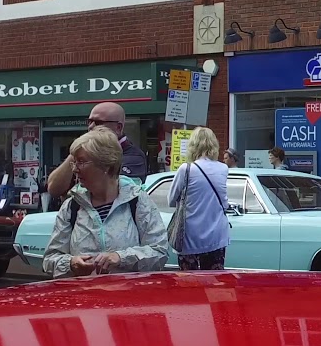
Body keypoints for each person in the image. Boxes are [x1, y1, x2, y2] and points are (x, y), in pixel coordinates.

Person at [42, 128, 169, 278]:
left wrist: (120, 258)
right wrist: (71, 263)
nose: (75, 169)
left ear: (106, 165)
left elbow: (159, 251)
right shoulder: (72, 206)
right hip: (84, 292)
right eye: (74, 163)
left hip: (127, 292)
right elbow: (49, 260)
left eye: (81, 162)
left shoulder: (137, 201)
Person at [46, 102, 148, 197]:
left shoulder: (133, 156)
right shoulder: (83, 152)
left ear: (118, 127)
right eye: (89, 121)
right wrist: (77, 152)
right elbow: (54, 189)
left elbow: (119, 192)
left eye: (99, 123)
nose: (91, 127)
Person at [168, 127, 231, 270]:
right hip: (216, 235)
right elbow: (224, 202)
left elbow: (171, 200)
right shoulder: (223, 168)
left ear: (192, 146)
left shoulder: (186, 169)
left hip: (189, 236)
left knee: (190, 281)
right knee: (214, 280)